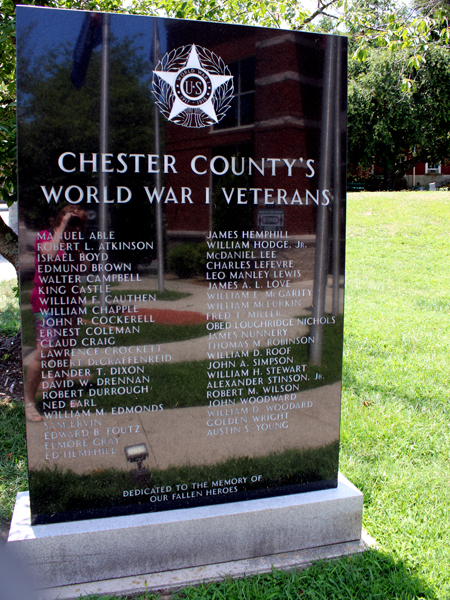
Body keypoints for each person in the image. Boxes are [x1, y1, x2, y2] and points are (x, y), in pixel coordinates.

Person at [24, 206, 88, 422]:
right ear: (59, 220)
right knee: (45, 352)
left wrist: (75, 244)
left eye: (78, 224)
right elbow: (49, 255)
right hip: (47, 305)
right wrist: (61, 229)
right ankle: (29, 402)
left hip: (70, 303)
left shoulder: (74, 245)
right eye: (71, 221)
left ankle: (60, 391)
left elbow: (85, 268)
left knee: (64, 351)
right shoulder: (45, 237)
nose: (74, 227)